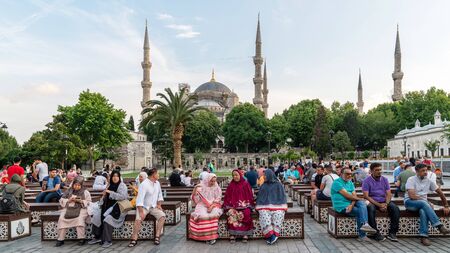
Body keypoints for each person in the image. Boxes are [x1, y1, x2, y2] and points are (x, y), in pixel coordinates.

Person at [404, 163, 450, 246]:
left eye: (426, 170)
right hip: (410, 203)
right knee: (424, 203)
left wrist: (446, 205)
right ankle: (439, 226)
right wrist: (427, 203)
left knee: (423, 211)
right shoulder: (411, 179)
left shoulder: (429, 181)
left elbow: (440, 193)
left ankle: (424, 236)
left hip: (423, 204)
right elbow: (412, 196)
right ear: (417, 172)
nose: (425, 172)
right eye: (423, 171)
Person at [331, 168, 377, 242]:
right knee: (360, 210)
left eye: (350, 174)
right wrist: (360, 199)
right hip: (341, 206)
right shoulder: (337, 183)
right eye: (347, 174)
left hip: (351, 203)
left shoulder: (350, 183)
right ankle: (362, 235)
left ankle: (365, 225)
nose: (349, 176)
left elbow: (354, 196)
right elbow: (347, 196)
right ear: (341, 174)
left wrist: (352, 205)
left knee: (361, 203)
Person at [89, 170, 129, 248]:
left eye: (117, 176)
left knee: (108, 219)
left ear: (119, 177)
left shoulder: (122, 185)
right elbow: (105, 197)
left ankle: (107, 240)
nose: (115, 178)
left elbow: (123, 197)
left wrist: (110, 193)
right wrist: (103, 197)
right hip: (106, 207)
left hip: (118, 208)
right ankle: (97, 236)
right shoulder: (109, 185)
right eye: (113, 176)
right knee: (96, 215)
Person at [362, 163, 400, 242]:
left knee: (395, 209)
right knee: (370, 208)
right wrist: (379, 205)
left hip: (384, 201)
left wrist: (385, 204)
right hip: (372, 201)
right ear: (371, 171)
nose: (379, 172)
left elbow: (389, 194)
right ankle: (375, 233)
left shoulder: (385, 179)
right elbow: (366, 196)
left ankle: (392, 233)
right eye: (376, 170)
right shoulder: (366, 181)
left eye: (380, 170)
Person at [129, 168, 165, 247]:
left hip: (153, 206)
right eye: (157, 173)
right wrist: (141, 212)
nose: (158, 175)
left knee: (162, 216)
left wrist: (159, 205)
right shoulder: (144, 184)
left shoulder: (157, 183)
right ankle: (134, 238)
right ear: (153, 175)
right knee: (138, 219)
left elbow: (159, 195)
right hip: (144, 207)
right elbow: (139, 199)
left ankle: (157, 236)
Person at [55, 176, 92, 247]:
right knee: (62, 218)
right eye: (75, 185)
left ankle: (81, 238)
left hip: (81, 208)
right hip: (68, 207)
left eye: (79, 185)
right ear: (73, 184)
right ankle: (60, 239)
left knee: (79, 218)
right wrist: (69, 200)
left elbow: (89, 202)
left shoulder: (85, 192)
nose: (77, 186)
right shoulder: (69, 190)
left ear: (81, 185)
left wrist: (80, 201)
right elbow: (61, 200)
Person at [188, 173, 223, 245]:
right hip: (202, 205)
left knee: (214, 215)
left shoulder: (217, 188)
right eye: (211, 181)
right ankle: (204, 236)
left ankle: (212, 237)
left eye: (214, 181)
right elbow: (195, 199)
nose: (213, 183)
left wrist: (211, 206)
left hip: (213, 205)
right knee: (203, 216)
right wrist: (195, 188)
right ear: (207, 180)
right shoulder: (201, 187)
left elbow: (218, 199)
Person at [256, 169, 287, 245]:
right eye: (264, 175)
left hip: (278, 205)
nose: (264, 176)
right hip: (264, 205)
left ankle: (274, 234)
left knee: (278, 214)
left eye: (265, 175)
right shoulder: (264, 185)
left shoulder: (278, 184)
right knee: (263, 214)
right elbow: (260, 197)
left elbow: (282, 196)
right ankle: (271, 235)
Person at [223, 169, 254, 243]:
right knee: (231, 213)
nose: (235, 177)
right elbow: (227, 196)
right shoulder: (231, 185)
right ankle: (233, 234)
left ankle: (245, 234)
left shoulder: (245, 184)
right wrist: (229, 205)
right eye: (233, 175)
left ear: (240, 175)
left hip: (244, 205)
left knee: (246, 213)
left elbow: (250, 195)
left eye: (236, 175)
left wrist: (247, 204)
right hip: (232, 205)